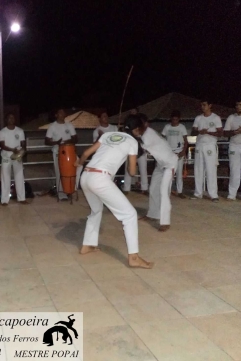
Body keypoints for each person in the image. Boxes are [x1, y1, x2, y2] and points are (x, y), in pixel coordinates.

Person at [75, 118, 153, 268]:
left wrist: (78, 163)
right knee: (129, 214)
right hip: (100, 179)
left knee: (96, 210)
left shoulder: (108, 134)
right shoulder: (133, 143)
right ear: (136, 130)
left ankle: (88, 245)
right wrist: (134, 161)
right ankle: (134, 257)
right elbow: (131, 172)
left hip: (86, 176)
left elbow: (85, 153)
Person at [127, 115, 178, 232]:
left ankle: (165, 221)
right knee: (154, 188)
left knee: (163, 191)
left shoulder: (148, 135)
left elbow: (139, 150)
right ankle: (153, 214)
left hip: (170, 164)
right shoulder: (145, 134)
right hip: (161, 164)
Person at [45, 109, 82, 200]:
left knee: (79, 166)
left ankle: (72, 188)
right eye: (60, 113)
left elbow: (75, 138)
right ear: (56, 115)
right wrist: (56, 142)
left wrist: (67, 141)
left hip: (70, 151)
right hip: (58, 152)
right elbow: (46, 141)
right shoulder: (52, 126)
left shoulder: (69, 125)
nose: (62, 114)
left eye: (63, 112)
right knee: (59, 172)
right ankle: (62, 194)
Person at [191, 100, 223, 202]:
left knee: (211, 170)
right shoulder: (198, 118)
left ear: (210, 105)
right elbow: (193, 131)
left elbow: (220, 133)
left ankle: (213, 195)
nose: (202, 107)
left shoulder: (216, 118)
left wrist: (208, 132)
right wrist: (200, 131)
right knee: (198, 169)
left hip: (210, 145)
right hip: (199, 145)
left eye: (204, 105)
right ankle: (198, 193)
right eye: (201, 105)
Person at [0, 113, 28, 205]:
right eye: (9, 118)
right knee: (5, 178)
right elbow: (2, 145)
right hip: (6, 157)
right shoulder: (2, 132)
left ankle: (22, 198)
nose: (11, 119)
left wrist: (22, 151)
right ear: (6, 120)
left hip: (17, 157)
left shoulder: (19, 131)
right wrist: (12, 150)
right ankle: (4, 200)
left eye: (13, 118)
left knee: (19, 177)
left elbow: (23, 144)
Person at [162, 110, 188, 198]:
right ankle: (167, 191)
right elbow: (162, 139)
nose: (174, 121)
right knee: (168, 173)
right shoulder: (167, 127)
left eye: (176, 120)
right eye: (173, 119)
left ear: (179, 119)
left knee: (179, 173)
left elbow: (186, 141)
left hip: (179, 152)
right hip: (169, 153)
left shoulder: (182, 127)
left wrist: (183, 151)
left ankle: (180, 191)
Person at [123, 111, 149, 194]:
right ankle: (126, 188)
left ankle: (144, 188)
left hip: (141, 150)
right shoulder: (129, 125)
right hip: (131, 150)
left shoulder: (142, 125)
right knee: (128, 169)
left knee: (143, 169)